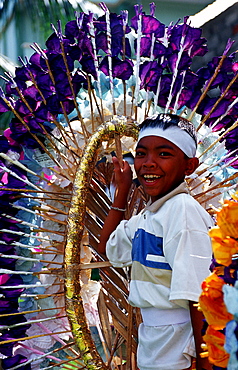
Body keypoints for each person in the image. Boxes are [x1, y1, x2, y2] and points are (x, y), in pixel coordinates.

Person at [98, 113, 213, 370]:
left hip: (180, 344)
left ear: (189, 166)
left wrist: (207, 364)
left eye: (164, 154)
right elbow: (107, 249)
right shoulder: (150, 215)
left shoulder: (182, 211)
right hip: (154, 342)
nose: (148, 163)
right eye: (141, 154)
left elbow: (200, 298)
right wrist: (121, 194)